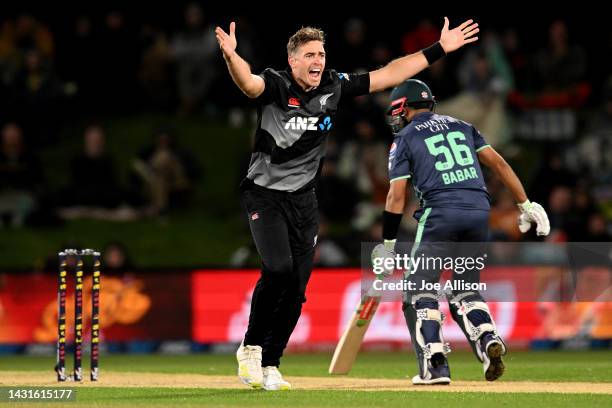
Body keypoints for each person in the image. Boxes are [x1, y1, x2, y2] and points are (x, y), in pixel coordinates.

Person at [215, 18, 479, 390]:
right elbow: (248, 83)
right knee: (277, 269)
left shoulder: (333, 86)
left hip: (304, 200)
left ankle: (272, 363)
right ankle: (251, 347)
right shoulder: (277, 84)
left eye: (321, 53)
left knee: (297, 289)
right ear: (292, 61)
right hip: (265, 193)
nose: (317, 60)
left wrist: (439, 49)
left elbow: (388, 74)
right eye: (309, 54)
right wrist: (231, 56)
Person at [376, 79, 550, 385]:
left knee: (419, 289)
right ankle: (486, 338)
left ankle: (435, 365)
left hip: (441, 215)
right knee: (464, 288)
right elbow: (499, 163)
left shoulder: (404, 137)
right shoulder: (463, 126)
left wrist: (388, 243)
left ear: (403, 106)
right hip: (479, 213)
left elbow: (396, 196)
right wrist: (525, 204)